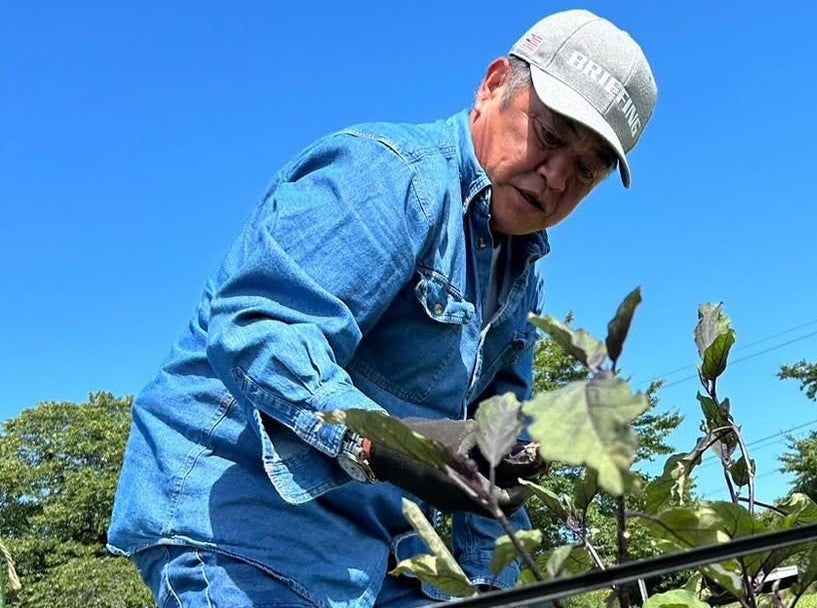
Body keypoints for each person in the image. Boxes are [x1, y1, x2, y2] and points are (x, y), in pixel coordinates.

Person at [108, 8, 657, 608]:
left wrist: (494, 586)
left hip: (372, 560)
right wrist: (387, 442)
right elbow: (260, 329)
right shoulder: (387, 175)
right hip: (241, 529)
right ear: (494, 84)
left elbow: (500, 467)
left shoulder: (521, 280)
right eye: (549, 135)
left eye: (584, 170)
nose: (555, 176)